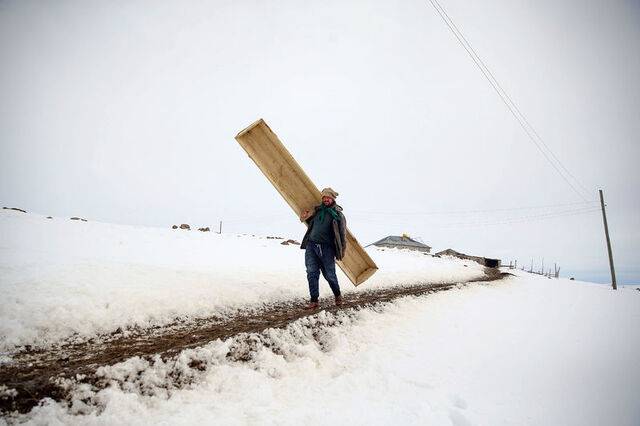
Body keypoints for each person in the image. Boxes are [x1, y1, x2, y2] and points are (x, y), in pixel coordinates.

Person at [299, 187, 347, 309]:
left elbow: (342, 234)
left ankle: (337, 295)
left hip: (327, 248)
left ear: (332, 198)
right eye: (324, 197)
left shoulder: (338, 215)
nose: (326, 199)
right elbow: (310, 223)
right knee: (311, 272)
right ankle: (314, 300)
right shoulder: (318, 210)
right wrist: (304, 217)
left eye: (328, 197)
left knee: (329, 275)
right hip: (311, 245)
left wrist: (341, 251)